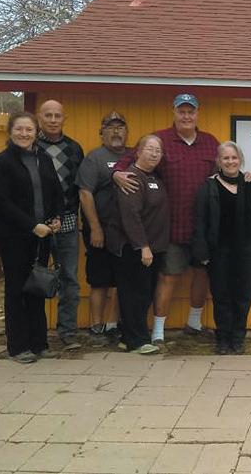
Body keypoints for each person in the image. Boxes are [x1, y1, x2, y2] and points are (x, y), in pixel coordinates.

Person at [114, 93, 219, 344]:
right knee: (168, 277)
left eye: (190, 111)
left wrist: (246, 177)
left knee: (201, 274)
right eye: (182, 111)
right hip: (172, 228)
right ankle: (158, 332)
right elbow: (130, 158)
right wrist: (117, 173)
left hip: (202, 228)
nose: (186, 116)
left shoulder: (210, 142)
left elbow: (225, 170)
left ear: (197, 114)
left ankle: (194, 323)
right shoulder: (159, 140)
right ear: (174, 112)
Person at [0, 112, 64, 363]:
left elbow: (56, 192)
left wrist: (56, 217)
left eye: (29, 130)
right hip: (14, 236)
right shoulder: (1, 162)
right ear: (10, 131)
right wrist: (32, 226)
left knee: (36, 287)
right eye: (19, 129)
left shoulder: (44, 158)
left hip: (42, 235)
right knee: (17, 289)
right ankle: (18, 346)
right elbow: (3, 202)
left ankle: (39, 343)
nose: (24, 134)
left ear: (36, 132)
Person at [192, 141, 251, 355]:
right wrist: (202, 251)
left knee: (244, 295)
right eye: (226, 158)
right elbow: (200, 221)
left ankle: (238, 338)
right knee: (221, 295)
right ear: (219, 161)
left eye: (234, 157)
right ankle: (223, 339)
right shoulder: (208, 187)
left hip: (247, 249)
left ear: (240, 160)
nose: (230, 161)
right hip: (219, 249)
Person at [107, 135, 170, 355]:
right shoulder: (131, 177)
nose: (154, 153)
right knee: (134, 294)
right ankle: (138, 341)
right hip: (133, 248)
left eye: (158, 150)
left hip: (154, 248)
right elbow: (130, 216)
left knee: (144, 294)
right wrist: (142, 246)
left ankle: (127, 338)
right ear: (138, 152)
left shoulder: (154, 176)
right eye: (150, 149)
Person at [37, 100, 84, 351]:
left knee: (69, 279)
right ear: (39, 118)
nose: (53, 120)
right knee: (35, 277)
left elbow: (79, 188)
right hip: (36, 225)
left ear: (64, 118)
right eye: (48, 115)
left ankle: (68, 332)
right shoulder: (31, 146)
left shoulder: (74, 148)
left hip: (67, 222)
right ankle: (35, 333)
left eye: (57, 115)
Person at [76, 112, 127, 346]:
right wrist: (95, 227)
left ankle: (112, 324)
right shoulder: (94, 158)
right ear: (101, 132)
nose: (116, 132)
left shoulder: (133, 155)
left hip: (125, 231)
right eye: (110, 127)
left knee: (121, 280)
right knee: (99, 279)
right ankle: (96, 325)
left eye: (120, 127)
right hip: (100, 228)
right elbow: (85, 193)